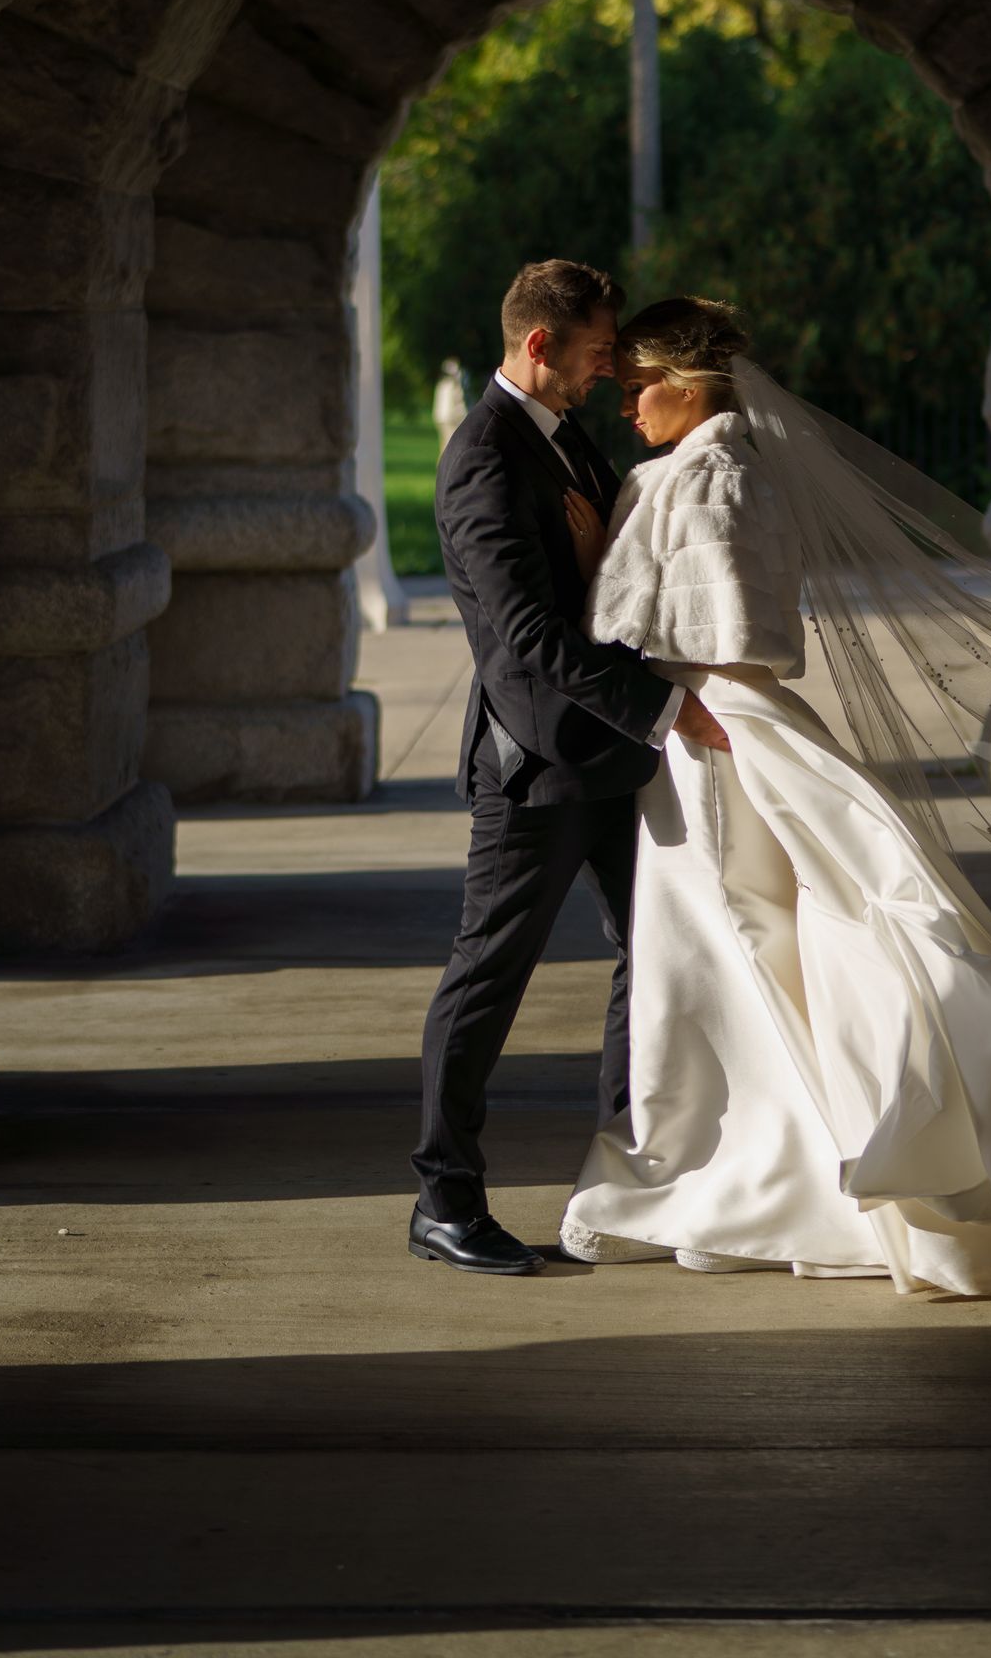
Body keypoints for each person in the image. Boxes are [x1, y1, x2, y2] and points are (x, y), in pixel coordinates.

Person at [559, 295, 991, 1295]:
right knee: (726, 944)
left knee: (736, 943)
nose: (625, 408)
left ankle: (763, 1176)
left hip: (707, 726)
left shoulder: (710, 476)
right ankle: (743, 1165)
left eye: (635, 390)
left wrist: (597, 566)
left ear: (684, 382)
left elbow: (711, 629)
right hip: (703, 723)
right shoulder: (709, 465)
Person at [409, 258, 728, 1277]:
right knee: (488, 978)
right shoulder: (483, 461)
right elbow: (531, 638)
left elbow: (605, 586)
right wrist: (670, 708)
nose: (606, 374)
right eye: (596, 353)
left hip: (612, 758)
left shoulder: (563, 435)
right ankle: (443, 1198)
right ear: (539, 345)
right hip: (536, 768)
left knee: (657, 956)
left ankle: (633, 1173)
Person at [431, 356, 469, 452]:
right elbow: (459, 402)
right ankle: (447, 466)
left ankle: (443, 466)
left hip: (442, 417)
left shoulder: (442, 384)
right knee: (450, 447)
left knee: (445, 446)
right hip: (451, 418)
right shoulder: (453, 385)